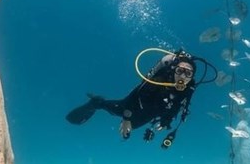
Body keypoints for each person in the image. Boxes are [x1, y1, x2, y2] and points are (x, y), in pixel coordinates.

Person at [66, 49, 205, 148]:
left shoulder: (189, 89)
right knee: (116, 111)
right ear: (173, 70)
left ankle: (114, 112)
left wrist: (165, 121)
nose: (183, 76)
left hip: (151, 113)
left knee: (131, 130)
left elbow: (179, 106)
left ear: (192, 77)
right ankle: (96, 102)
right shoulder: (159, 80)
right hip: (134, 104)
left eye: (188, 73)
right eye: (180, 71)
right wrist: (126, 117)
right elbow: (135, 95)